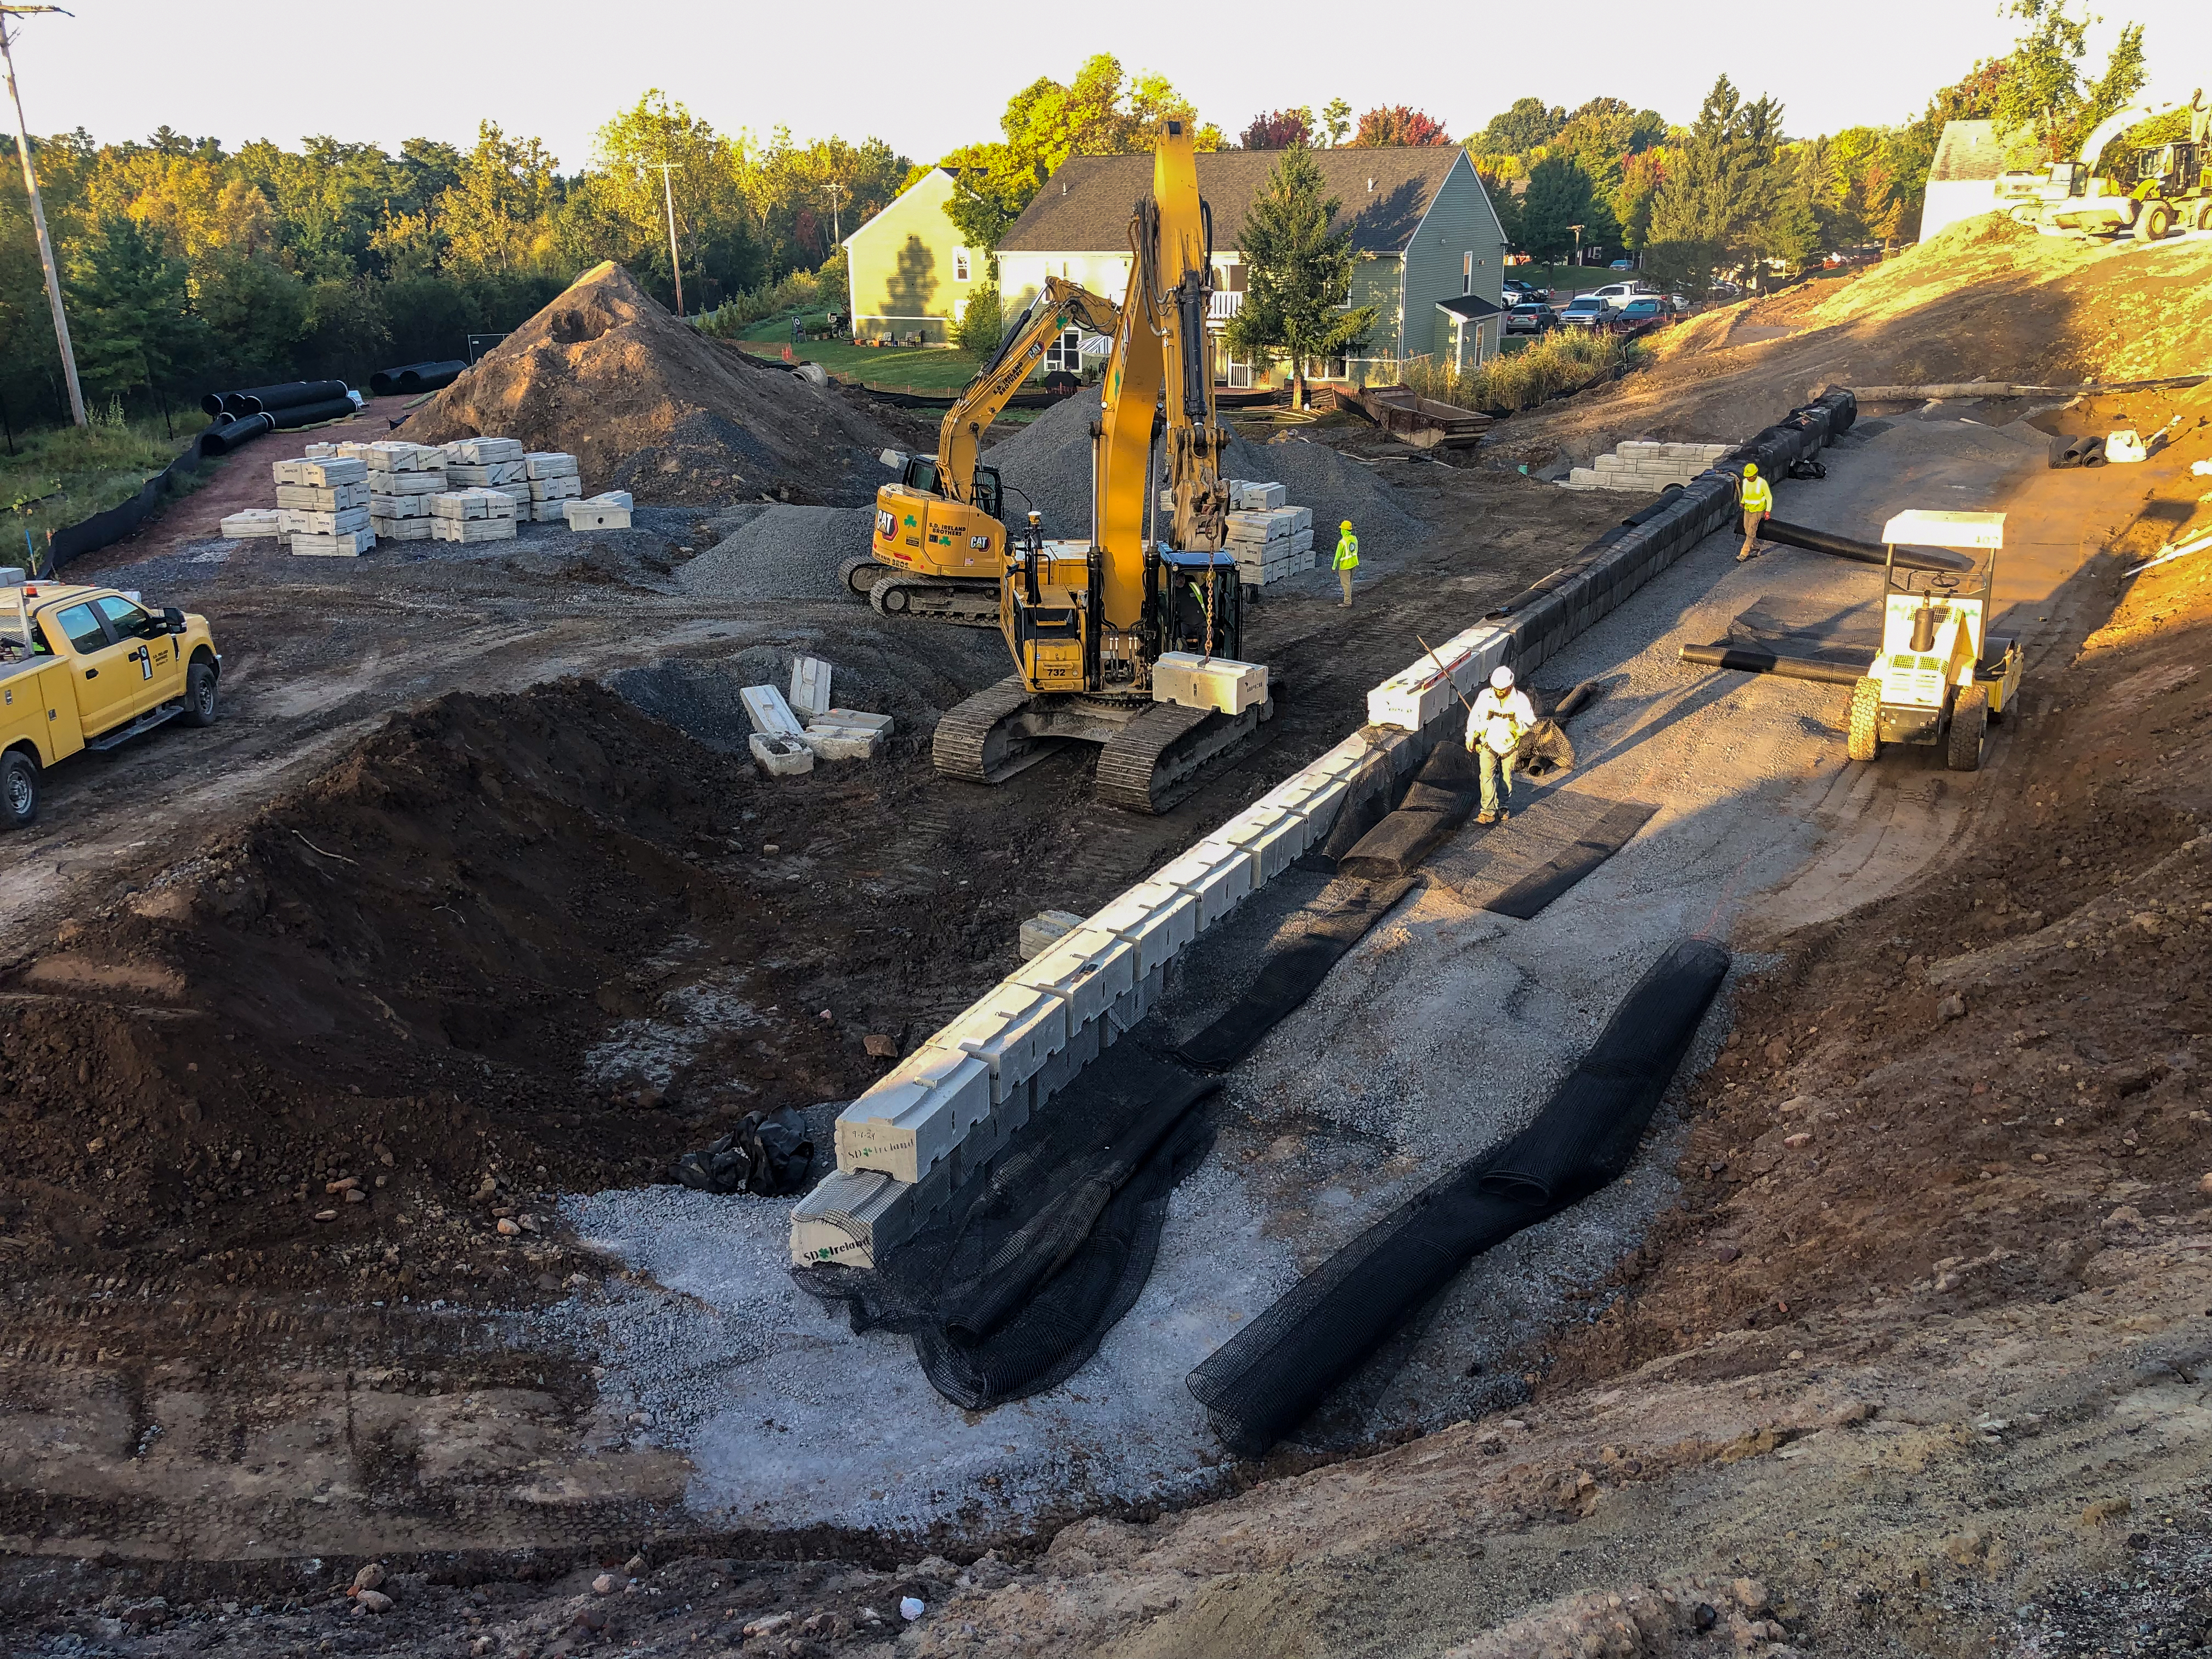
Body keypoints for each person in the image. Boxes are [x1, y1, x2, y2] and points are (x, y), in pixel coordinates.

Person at [1465, 665, 1536, 825]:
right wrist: (1471, 736)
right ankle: (1487, 812)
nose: (1498, 692)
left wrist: (1519, 728)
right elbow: (1475, 717)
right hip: (1488, 743)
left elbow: (1531, 721)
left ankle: (1503, 806)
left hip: (1510, 746)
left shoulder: (1521, 700)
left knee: (1506, 778)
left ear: (1510, 686)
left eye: (1502, 689)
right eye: (1496, 689)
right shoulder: (1485, 696)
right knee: (1486, 777)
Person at [1737, 462, 1774, 561]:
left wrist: (1768, 511)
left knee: (1751, 531)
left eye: (1750, 476)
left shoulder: (1762, 483)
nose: (1749, 478)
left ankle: (1744, 553)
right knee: (1746, 530)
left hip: (1758, 510)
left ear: (1755, 475)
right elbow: (1746, 494)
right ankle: (1756, 547)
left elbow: (1769, 498)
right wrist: (1743, 502)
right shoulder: (1745, 482)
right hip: (1748, 509)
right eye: (1747, 476)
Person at [1333, 520, 1359, 607]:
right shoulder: (1354, 538)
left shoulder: (1342, 542)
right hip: (1354, 563)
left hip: (1345, 566)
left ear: (1344, 530)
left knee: (1346, 584)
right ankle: (1349, 598)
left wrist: (1334, 567)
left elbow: (1337, 556)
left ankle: (1347, 602)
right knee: (1350, 582)